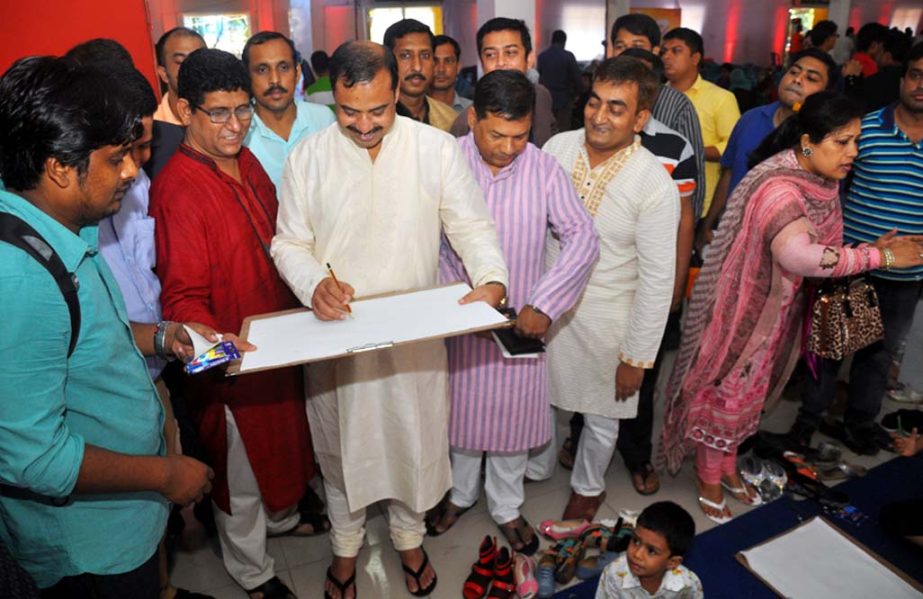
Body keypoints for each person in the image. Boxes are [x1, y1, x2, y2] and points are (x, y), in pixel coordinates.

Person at [271, 41, 508, 599]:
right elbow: (288, 243)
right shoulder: (309, 155)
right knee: (341, 454)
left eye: (377, 111)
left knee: (411, 444)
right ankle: (345, 552)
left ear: (397, 91)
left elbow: (470, 226)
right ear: (333, 101)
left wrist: (491, 279)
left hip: (413, 335)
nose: (364, 125)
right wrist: (313, 285)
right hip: (337, 333)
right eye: (349, 112)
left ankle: (410, 540)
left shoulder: (435, 149)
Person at [0, 55, 216, 597]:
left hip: (121, 521)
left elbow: (88, 340)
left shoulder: (59, 228)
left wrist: (164, 335)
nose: (132, 172)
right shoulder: (20, 281)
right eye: (116, 158)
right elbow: (37, 459)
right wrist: (167, 475)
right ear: (58, 167)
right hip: (89, 550)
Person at [658, 91, 923, 524]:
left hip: (776, 310)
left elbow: (821, 248)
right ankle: (708, 475)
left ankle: (725, 466)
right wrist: (883, 258)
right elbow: (798, 255)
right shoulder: (780, 188)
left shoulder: (820, 180)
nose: (854, 152)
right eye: (843, 141)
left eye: (856, 140)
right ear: (807, 143)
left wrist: (865, 248)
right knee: (728, 393)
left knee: (749, 395)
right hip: (743, 314)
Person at [150, 48, 321, 599]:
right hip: (230, 362)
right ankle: (251, 570)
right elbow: (181, 299)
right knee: (238, 475)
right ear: (184, 109)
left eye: (243, 110)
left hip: (276, 341)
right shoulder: (177, 190)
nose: (235, 125)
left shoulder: (245, 159)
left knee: (282, 451)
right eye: (218, 113)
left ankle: (280, 521)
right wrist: (217, 355)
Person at [426, 70, 598, 552]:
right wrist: (454, 300)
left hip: (521, 319)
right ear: (473, 118)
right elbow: (426, 241)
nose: (507, 147)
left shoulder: (544, 169)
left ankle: (505, 504)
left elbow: (583, 237)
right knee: (458, 412)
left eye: (519, 136)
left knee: (511, 417)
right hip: (459, 316)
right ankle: (459, 494)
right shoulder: (445, 160)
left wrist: (544, 304)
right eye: (496, 134)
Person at [541, 57, 679, 522]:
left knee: (602, 415)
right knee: (541, 396)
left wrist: (637, 356)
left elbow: (659, 280)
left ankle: (588, 488)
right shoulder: (557, 148)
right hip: (546, 307)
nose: (600, 116)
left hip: (608, 320)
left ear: (640, 118)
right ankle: (536, 463)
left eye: (617, 108)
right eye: (595, 102)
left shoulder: (654, 183)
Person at [788, 44, 923, 456]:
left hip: (907, 275)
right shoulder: (865, 129)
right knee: (829, 350)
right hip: (851, 263)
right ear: (902, 79)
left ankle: (859, 424)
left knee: (878, 356)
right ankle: (804, 428)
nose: (922, 85)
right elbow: (829, 181)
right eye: (916, 74)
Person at [698, 48, 837, 250]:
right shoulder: (750, 119)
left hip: (784, 247)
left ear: (825, 94)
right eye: (794, 72)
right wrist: (708, 225)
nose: (797, 80)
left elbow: (819, 190)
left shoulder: (818, 140)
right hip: (732, 237)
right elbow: (729, 173)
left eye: (811, 78)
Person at [610, 14, 705, 220]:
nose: (628, 53)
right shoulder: (599, 100)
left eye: (637, 45)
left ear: (655, 52)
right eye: (620, 46)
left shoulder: (677, 104)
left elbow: (691, 177)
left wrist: (688, 232)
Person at [242, 31, 335, 189]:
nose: (275, 80)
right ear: (247, 76)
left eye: (283, 67)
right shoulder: (239, 131)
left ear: (297, 73)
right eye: (262, 70)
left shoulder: (323, 119)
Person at [662, 27, 740, 218]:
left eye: (676, 51)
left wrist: (690, 152)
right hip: (659, 201)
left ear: (695, 58)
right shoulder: (656, 95)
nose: (666, 57)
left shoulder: (720, 98)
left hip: (701, 202)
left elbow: (732, 146)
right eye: (664, 51)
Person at [450, 17, 558, 147]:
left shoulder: (541, 96)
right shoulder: (466, 125)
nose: (500, 62)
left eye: (510, 52)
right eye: (490, 55)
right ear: (482, 63)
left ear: (529, 59)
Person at [595, 501, 702, 599]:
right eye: (636, 541)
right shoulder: (614, 574)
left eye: (651, 551)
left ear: (672, 562)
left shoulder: (687, 583)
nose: (637, 554)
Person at [149, 27, 206, 179]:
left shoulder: (228, 121)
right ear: (163, 73)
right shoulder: (152, 130)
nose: (192, 68)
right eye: (181, 62)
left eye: (199, 60)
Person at [383, 19, 456, 132]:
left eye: (425, 55)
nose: (417, 67)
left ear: (433, 62)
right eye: (406, 56)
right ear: (389, 61)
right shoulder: (374, 121)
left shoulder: (450, 119)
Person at [538, 30, 582, 131]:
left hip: (546, 98)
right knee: (563, 129)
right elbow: (576, 77)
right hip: (564, 98)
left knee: (547, 128)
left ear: (552, 40)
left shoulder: (542, 56)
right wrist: (578, 93)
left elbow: (538, 76)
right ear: (564, 41)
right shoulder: (568, 56)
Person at [431, 34, 471, 112]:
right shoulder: (414, 111)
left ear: (458, 66)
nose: (441, 69)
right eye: (435, 61)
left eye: (448, 61)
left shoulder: (473, 111)